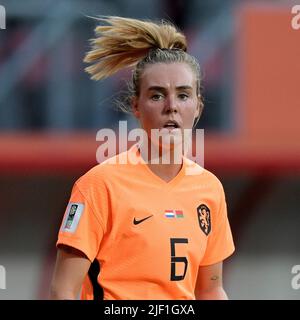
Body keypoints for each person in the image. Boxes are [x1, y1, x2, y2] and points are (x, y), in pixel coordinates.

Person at [50, 16, 235, 300]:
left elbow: (211, 289)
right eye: (157, 95)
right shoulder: (99, 186)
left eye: (183, 95)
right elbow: (63, 290)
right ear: (136, 105)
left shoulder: (210, 190)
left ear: (198, 106)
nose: (171, 107)